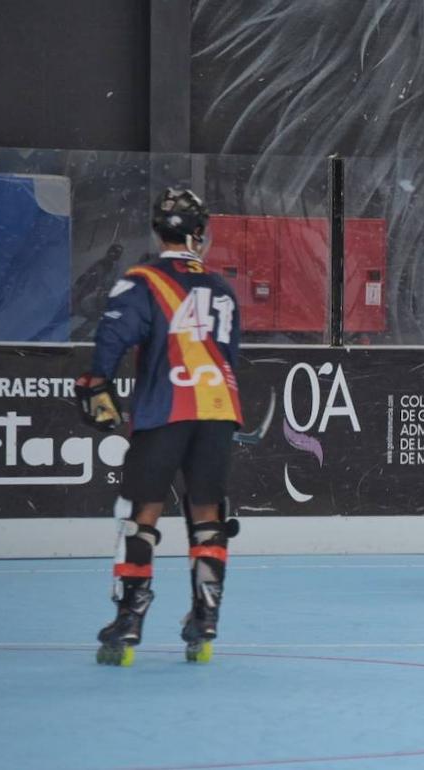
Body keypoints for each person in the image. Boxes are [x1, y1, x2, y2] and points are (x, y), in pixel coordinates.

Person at [75, 188, 243, 665]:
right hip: (218, 410)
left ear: (158, 230)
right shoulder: (223, 287)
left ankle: (129, 620)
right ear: (200, 233)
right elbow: (231, 354)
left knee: (142, 512)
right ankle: (205, 620)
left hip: (166, 408)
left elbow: (113, 335)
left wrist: (96, 379)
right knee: (208, 514)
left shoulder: (142, 280)